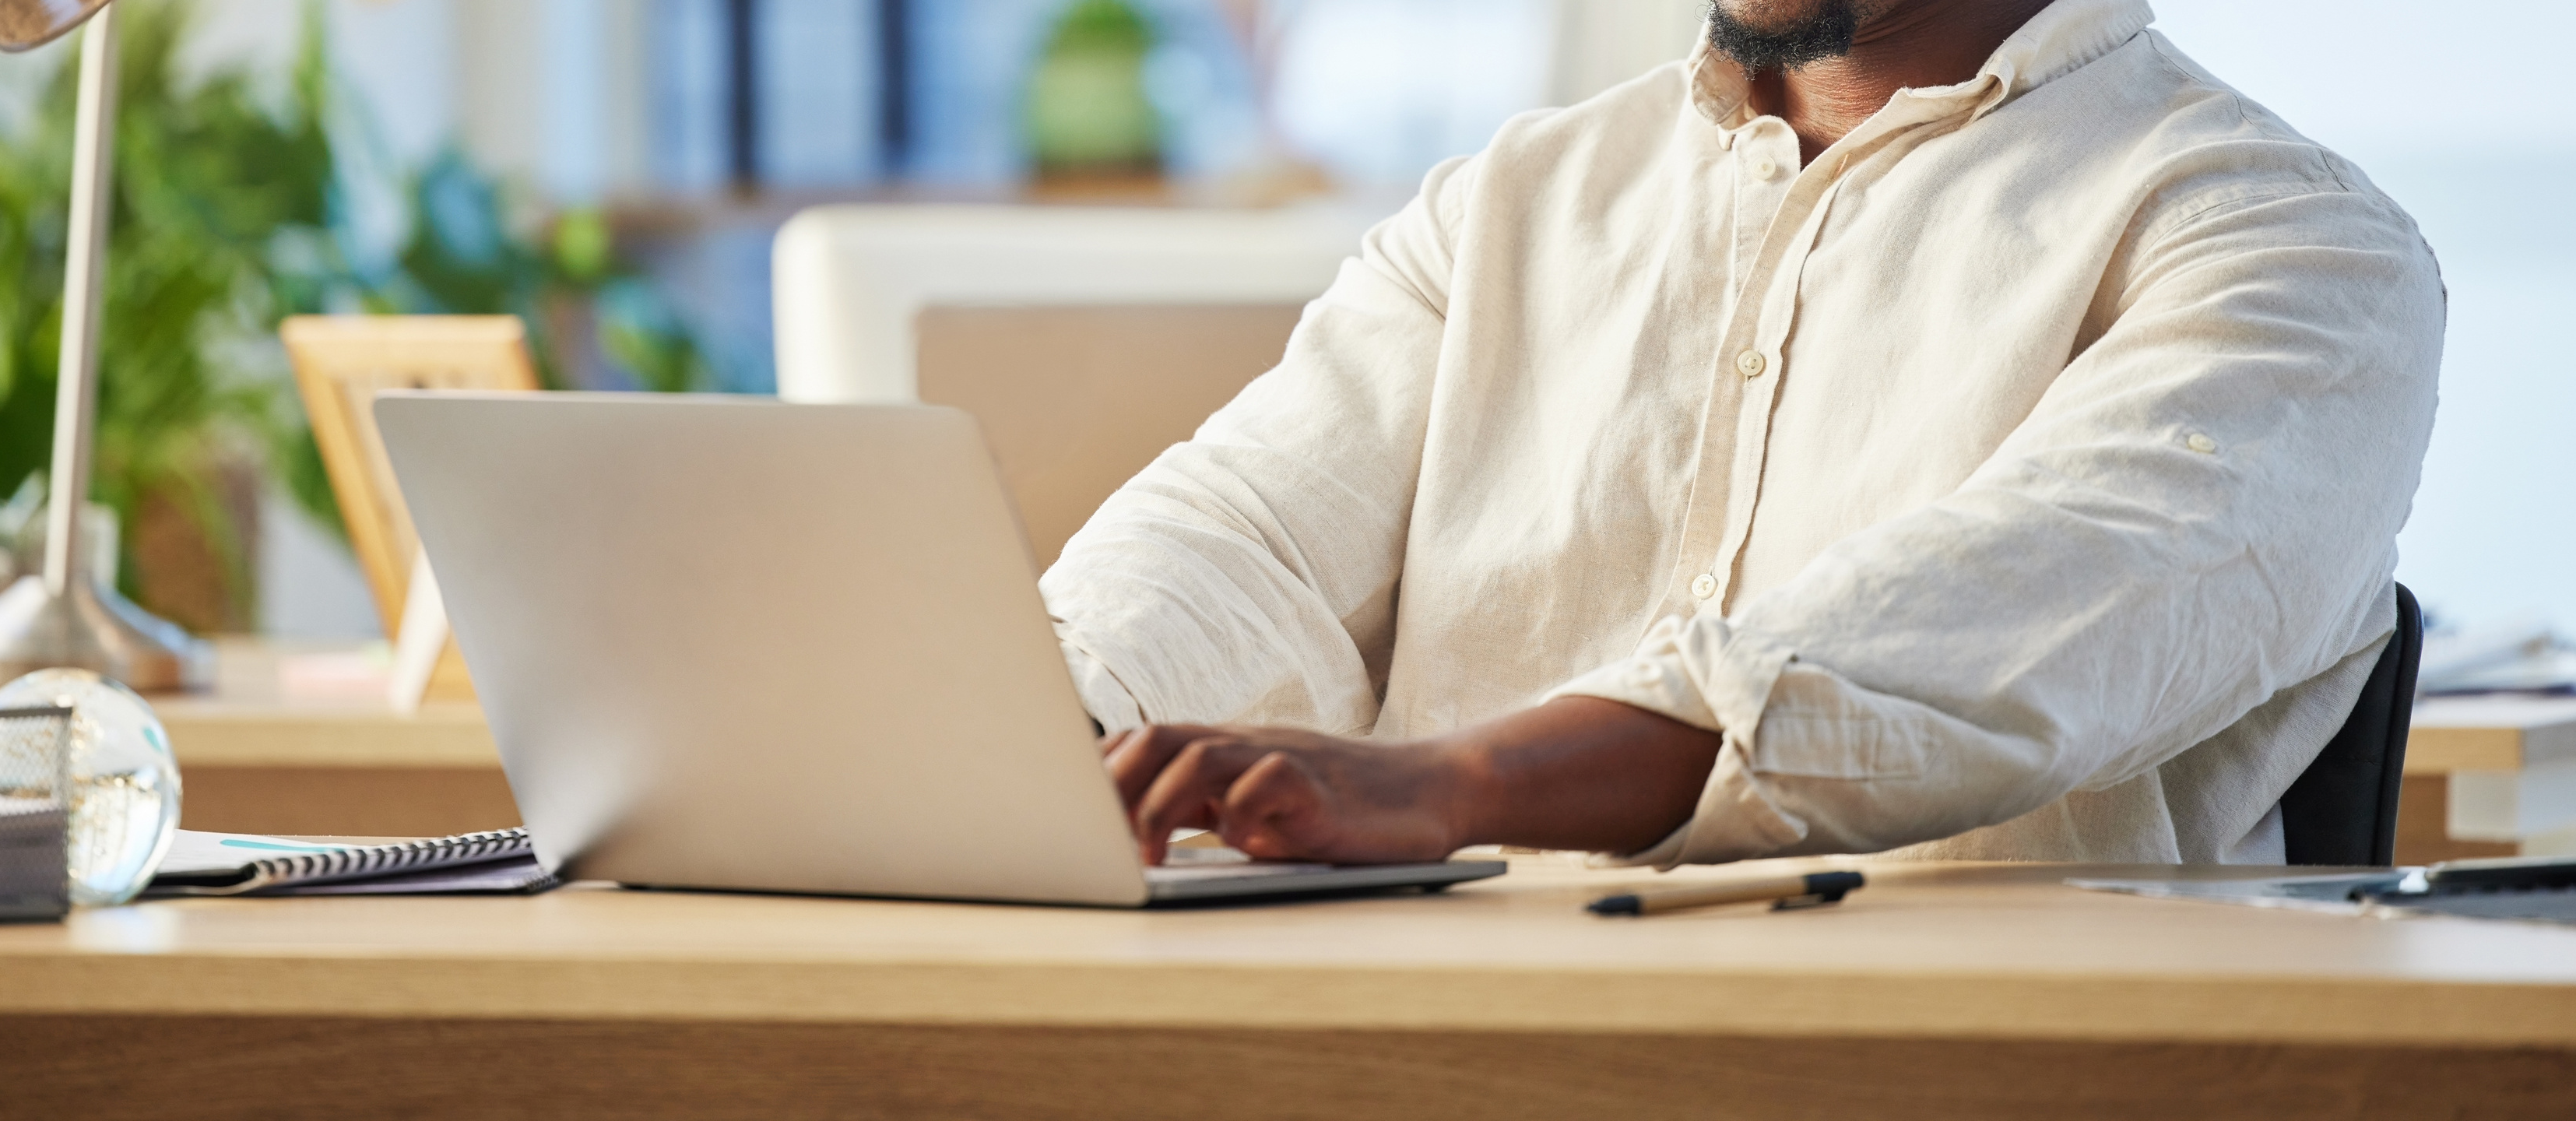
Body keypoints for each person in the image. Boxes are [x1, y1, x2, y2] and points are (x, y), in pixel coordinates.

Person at [1043, 0, 2444, 869]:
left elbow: (2023, 604)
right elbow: (1246, 538)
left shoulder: (2295, 248)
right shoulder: (1510, 202)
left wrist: (1460, 782)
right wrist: (1035, 732)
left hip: (1945, 1073)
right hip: (1446, 1042)